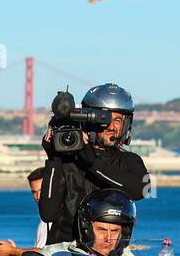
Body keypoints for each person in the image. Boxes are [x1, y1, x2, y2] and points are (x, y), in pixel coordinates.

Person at [38, 83, 149, 245]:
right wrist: (53, 159)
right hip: (65, 253)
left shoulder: (129, 161)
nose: (112, 125)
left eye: (118, 120)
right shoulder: (68, 160)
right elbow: (48, 214)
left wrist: (89, 160)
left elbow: (140, 190)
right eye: (106, 119)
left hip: (109, 255)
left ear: (126, 125)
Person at [0, 189, 136, 256]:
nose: (108, 238)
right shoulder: (68, 252)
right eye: (102, 230)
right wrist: (13, 251)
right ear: (87, 229)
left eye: (115, 231)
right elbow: (40, 254)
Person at [0, 168, 51, 256]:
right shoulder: (46, 217)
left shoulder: (57, 217)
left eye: (42, 190)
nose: (38, 196)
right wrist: (14, 251)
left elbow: (44, 254)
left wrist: (12, 251)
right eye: (34, 192)